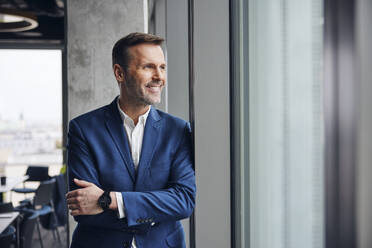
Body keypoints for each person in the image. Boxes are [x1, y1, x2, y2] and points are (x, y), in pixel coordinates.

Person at [66, 32, 196, 248]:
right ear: (120, 73)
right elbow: (83, 210)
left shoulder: (178, 130)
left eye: (162, 67)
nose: (159, 76)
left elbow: (184, 202)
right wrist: (155, 212)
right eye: (148, 67)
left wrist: (109, 200)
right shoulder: (83, 128)